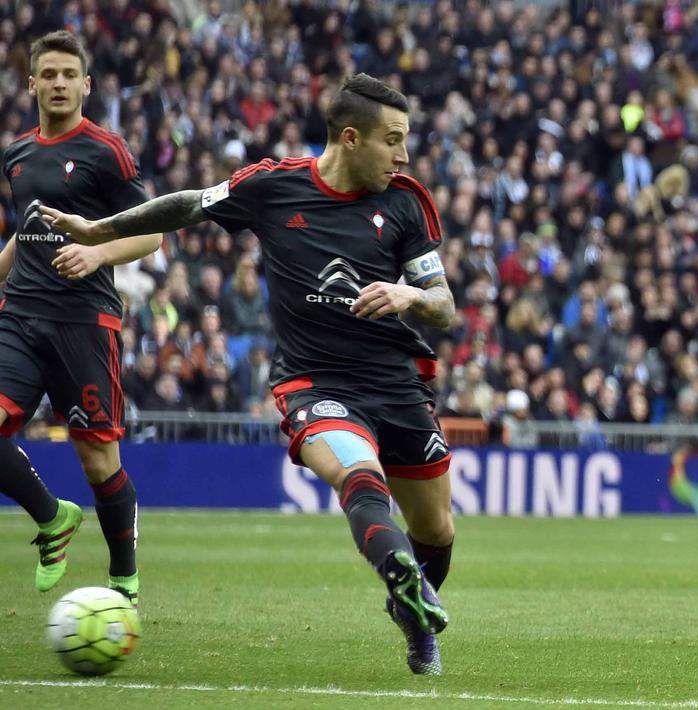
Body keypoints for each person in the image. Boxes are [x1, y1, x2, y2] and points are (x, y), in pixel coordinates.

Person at [42, 74, 455, 676]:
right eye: (393, 140)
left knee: (436, 530)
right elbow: (188, 204)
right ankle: (399, 574)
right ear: (350, 137)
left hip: (396, 382)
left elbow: (444, 304)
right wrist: (102, 230)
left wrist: (409, 294)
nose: (405, 155)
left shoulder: (405, 202)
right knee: (359, 478)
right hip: (315, 383)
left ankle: (410, 605)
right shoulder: (272, 185)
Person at [0, 31, 162, 604]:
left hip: (84, 323)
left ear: (87, 85)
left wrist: (97, 253)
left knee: (99, 463)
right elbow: (26, 232)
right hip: (19, 316)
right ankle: (52, 519)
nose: (59, 83)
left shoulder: (107, 151)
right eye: (49, 74)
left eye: (70, 74)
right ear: (32, 84)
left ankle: (123, 579)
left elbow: (152, 233)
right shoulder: (17, 154)